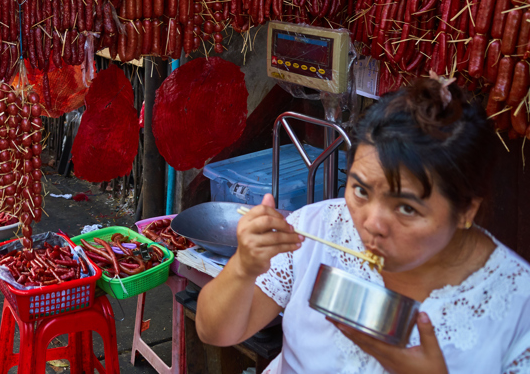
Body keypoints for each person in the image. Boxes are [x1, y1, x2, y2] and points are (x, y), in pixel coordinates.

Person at [196, 76, 530, 373]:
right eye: (360, 190)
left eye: (406, 208)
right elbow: (215, 332)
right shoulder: (317, 228)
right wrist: (243, 268)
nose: (371, 223)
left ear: (465, 211)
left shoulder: (518, 304)